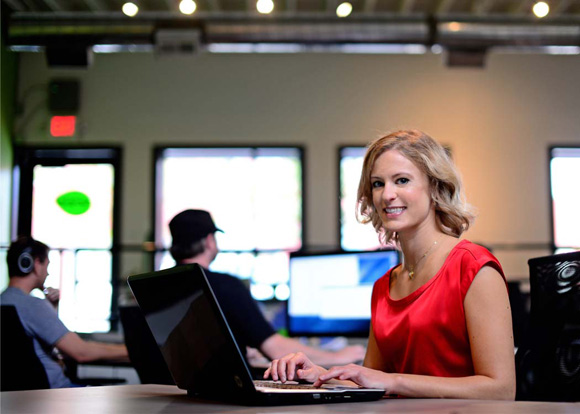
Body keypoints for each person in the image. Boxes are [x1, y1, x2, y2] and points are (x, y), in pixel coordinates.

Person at [264, 129, 516, 400]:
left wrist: (394, 382)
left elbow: (501, 390)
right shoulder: (385, 285)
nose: (387, 195)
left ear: (434, 187)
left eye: (402, 180)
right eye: (377, 184)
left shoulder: (473, 268)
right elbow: (372, 381)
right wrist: (319, 376)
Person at [168, 209, 366, 366]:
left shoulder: (159, 287)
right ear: (210, 241)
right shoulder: (225, 286)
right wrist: (337, 357)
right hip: (221, 399)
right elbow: (276, 349)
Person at [1, 236, 129, 388]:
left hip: (21, 400)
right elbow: (82, 353)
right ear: (36, 265)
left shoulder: (5, 303)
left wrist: (52, 308)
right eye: (47, 265)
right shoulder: (33, 305)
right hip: (55, 396)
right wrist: (135, 351)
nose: (48, 273)